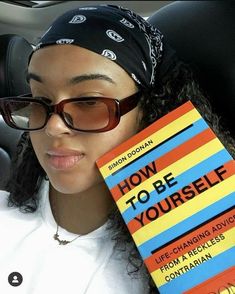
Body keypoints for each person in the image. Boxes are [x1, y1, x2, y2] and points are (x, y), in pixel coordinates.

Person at [0, 4, 234, 294]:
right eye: (41, 100)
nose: (53, 127)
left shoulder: (192, 253)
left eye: (88, 101)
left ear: (148, 108)